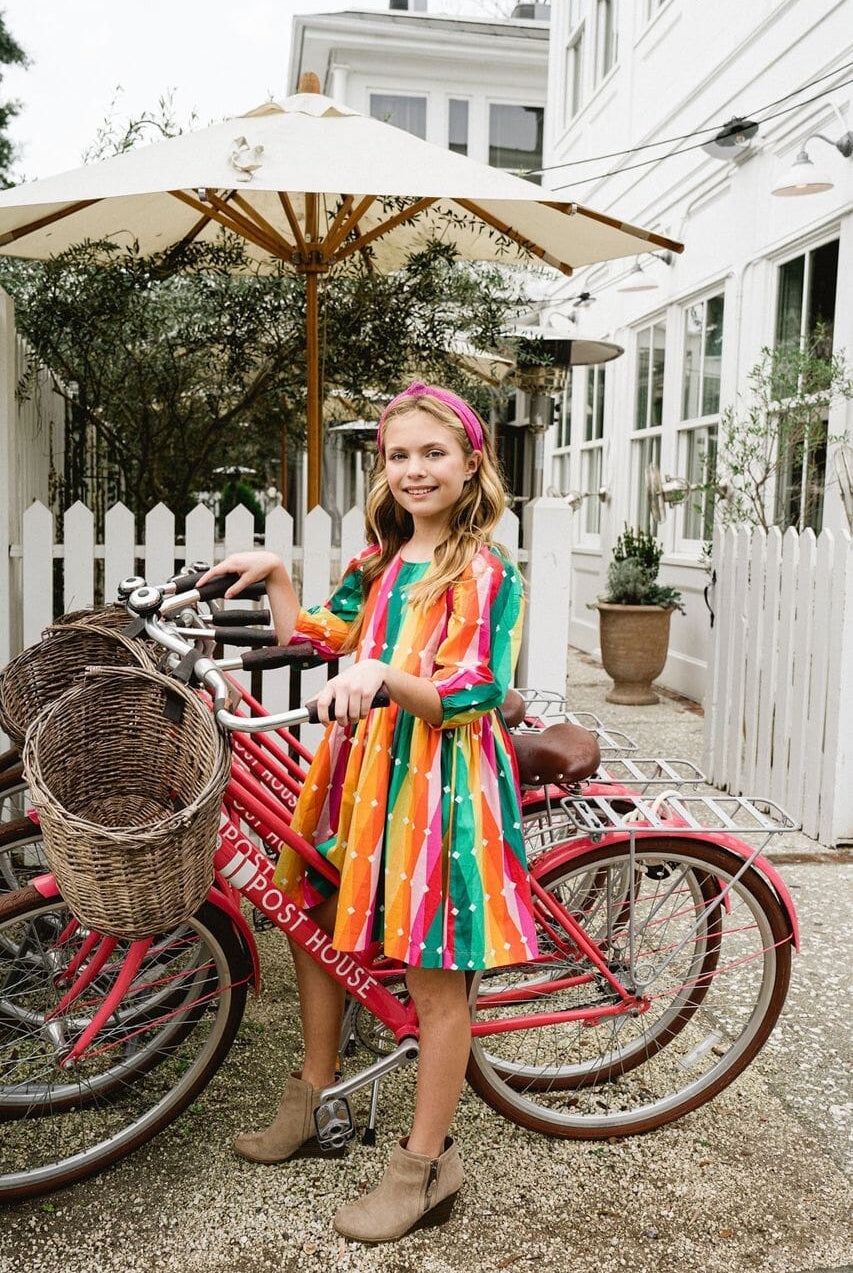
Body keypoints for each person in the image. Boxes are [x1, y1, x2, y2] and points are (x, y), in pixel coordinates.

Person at [198, 382, 537, 1244]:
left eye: (433, 452)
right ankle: (312, 1094)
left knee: (433, 976)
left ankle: (425, 1166)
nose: (415, 469)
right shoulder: (383, 560)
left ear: (471, 462)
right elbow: (327, 632)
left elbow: (474, 690)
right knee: (317, 922)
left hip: (440, 788)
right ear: (381, 468)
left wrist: (385, 678)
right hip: (363, 777)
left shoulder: (485, 571)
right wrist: (278, 577)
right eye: (398, 455)